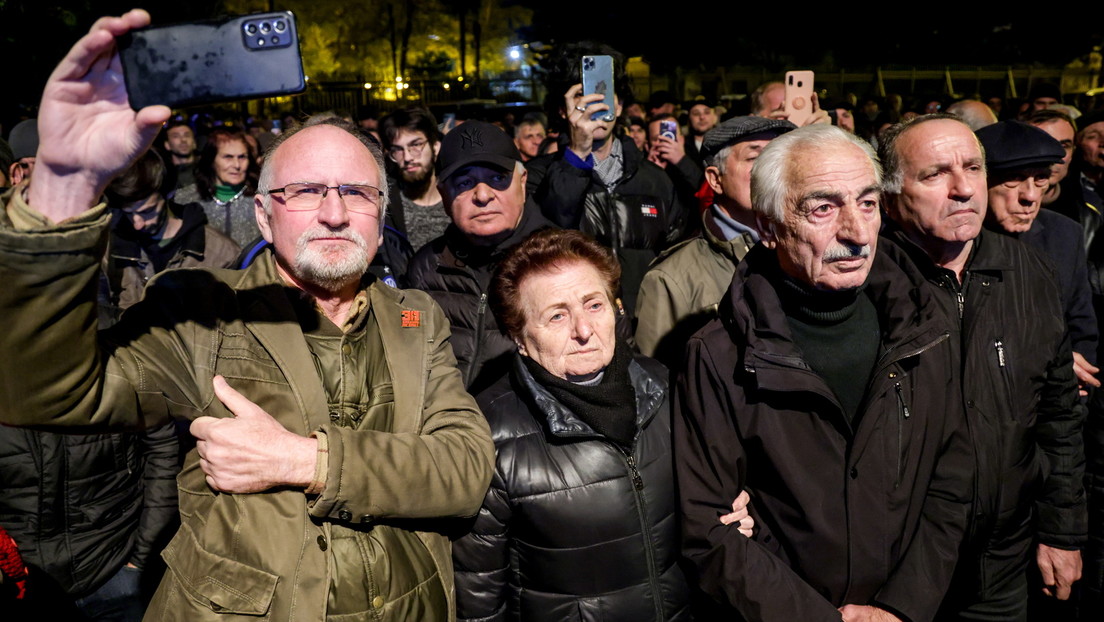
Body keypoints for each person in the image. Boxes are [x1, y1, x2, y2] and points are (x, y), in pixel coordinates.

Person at [0, 11, 494, 621]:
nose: (335, 214)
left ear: (381, 213)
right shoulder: (201, 310)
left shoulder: (418, 316)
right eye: (308, 191)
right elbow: (44, 392)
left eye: (358, 193)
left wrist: (300, 461)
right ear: (263, 216)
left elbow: (465, 470)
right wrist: (63, 190)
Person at [676, 124, 972, 622]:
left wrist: (903, 606)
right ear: (768, 227)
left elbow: (953, 477)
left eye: (868, 203)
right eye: (823, 208)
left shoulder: (927, 326)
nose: (856, 233)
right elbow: (710, 528)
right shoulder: (718, 355)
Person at [878, 114, 1086, 621]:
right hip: (890, 569)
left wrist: (1062, 531)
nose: (962, 189)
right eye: (934, 174)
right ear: (887, 196)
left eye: (973, 168)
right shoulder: (864, 282)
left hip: (1002, 564)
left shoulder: (1031, 273)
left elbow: (1058, 416)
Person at [453, 229, 700, 622]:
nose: (584, 330)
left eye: (594, 305)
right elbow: (478, 597)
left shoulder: (667, 387)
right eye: (557, 315)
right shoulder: (489, 435)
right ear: (518, 335)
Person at [527, 42, 687, 317]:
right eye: (583, 95)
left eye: (604, 93)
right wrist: (577, 154)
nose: (595, 104)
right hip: (577, 328)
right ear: (563, 110)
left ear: (620, 105)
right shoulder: (538, 176)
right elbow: (547, 241)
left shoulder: (655, 180)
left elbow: (675, 260)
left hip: (646, 328)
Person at [407, 120, 555, 396]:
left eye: (498, 178)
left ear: (522, 183)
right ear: (443, 195)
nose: (483, 195)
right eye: (465, 182)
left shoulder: (564, 261)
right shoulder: (425, 267)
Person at [635, 116, 794, 369]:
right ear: (715, 179)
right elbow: (657, 386)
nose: (770, 170)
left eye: (777, 158)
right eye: (755, 159)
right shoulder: (671, 279)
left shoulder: (803, 251)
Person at [100, 149, 240, 326]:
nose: (137, 223)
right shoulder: (108, 249)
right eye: (129, 214)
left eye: (147, 211)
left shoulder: (221, 252)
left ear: (169, 194)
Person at [173, 126, 261, 247]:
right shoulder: (185, 199)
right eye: (228, 157)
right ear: (211, 160)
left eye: (242, 157)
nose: (236, 165)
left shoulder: (261, 199)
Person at [379, 106, 449, 253]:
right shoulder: (385, 207)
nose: (408, 157)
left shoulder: (457, 198)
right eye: (397, 150)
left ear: (435, 147)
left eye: (416, 145)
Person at [161, 119, 197, 190]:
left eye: (187, 135)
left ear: (194, 143)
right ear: (167, 145)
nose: (183, 140)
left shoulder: (208, 169)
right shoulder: (163, 176)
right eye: (176, 136)